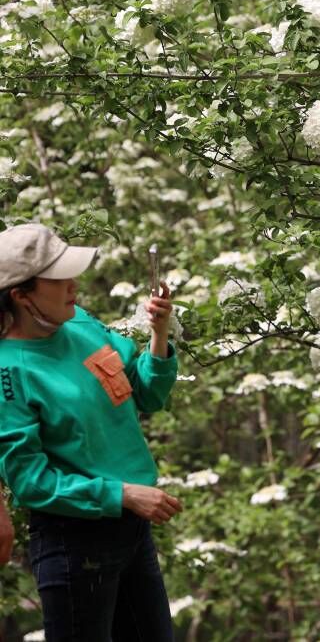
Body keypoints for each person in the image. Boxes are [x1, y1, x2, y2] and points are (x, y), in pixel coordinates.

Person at [0, 222, 183, 642]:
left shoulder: (79, 323)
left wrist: (159, 334)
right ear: (21, 296)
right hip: (74, 544)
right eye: (59, 278)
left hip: (132, 533)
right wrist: (123, 493)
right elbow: (31, 481)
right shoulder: (8, 371)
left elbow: (145, 393)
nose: (73, 284)